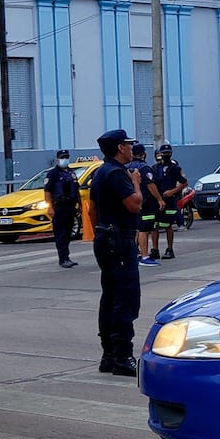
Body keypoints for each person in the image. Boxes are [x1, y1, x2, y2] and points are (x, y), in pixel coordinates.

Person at [88, 129, 142, 377]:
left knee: (109, 297)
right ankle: (122, 356)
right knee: (124, 299)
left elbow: (92, 212)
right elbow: (134, 204)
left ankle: (108, 355)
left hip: (105, 237)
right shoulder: (118, 174)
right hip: (119, 240)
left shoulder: (100, 172)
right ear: (120, 148)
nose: (132, 148)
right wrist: (136, 183)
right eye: (128, 145)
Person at [126, 143, 165, 266]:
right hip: (146, 203)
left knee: (138, 228)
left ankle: (135, 254)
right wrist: (159, 199)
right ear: (143, 154)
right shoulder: (144, 168)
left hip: (132, 202)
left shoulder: (127, 166)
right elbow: (150, 185)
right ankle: (144, 256)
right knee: (144, 229)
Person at [44, 149, 82, 267]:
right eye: (62, 157)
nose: (65, 159)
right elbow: (47, 191)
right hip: (59, 207)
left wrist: (79, 205)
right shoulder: (53, 174)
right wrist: (50, 207)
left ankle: (66, 256)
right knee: (60, 233)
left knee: (68, 232)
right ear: (57, 159)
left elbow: (76, 189)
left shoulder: (71, 173)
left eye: (66, 157)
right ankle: (63, 258)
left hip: (70, 206)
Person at [151, 143, 187, 259]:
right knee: (154, 225)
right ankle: (155, 249)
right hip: (157, 199)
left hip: (170, 200)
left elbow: (184, 182)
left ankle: (169, 249)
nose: (166, 155)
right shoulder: (155, 168)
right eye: (164, 153)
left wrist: (173, 191)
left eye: (168, 153)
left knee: (167, 225)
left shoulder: (174, 168)